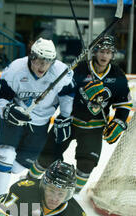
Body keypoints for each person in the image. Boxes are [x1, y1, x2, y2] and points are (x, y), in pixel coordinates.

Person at [30, 36, 133, 192]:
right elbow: (63, 92)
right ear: (95, 52)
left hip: (94, 128)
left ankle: (72, 195)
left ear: (112, 55)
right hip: (69, 121)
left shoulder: (117, 75)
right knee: (46, 157)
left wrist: (119, 120)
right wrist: (80, 92)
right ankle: (28, 182)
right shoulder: (79, 68)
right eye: (101, 51)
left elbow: (124, 104)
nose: (104, 56)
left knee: (87, 164)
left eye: (108, 52)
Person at [0, 37, 75, 196]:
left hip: (40, 122)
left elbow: (68, 95)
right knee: (5, 154)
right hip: (15, 118)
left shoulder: (61, 72)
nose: (43, 66)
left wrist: (65, 116)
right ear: (32, 57)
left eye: (48, 61)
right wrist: (8, 109)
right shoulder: (15, 69)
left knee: (22, 165)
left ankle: (0, 164)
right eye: (40, 60)